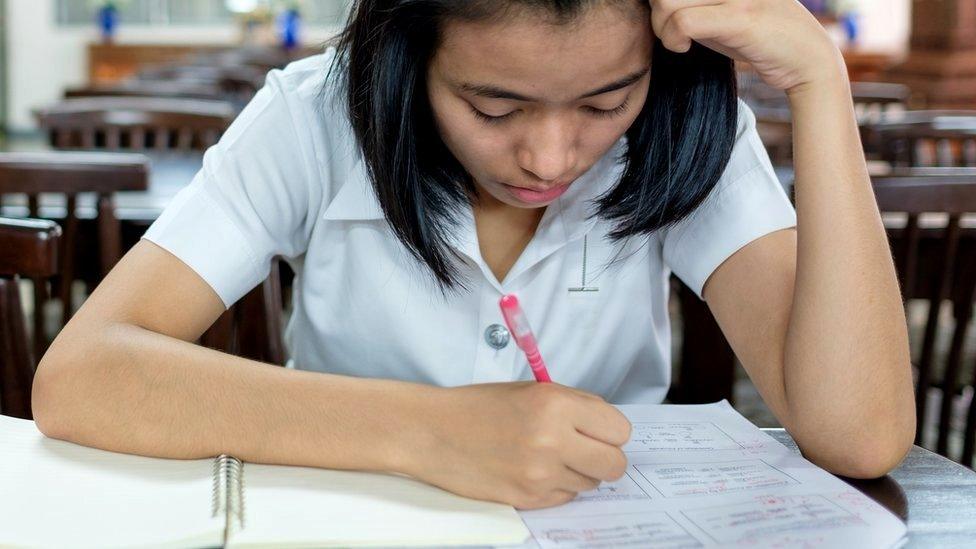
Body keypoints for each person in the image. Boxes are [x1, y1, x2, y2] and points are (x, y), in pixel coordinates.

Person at [32, 0, 916, 510]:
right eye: (494, 109)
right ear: (405, 60)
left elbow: (860, 433)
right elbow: (82, 376)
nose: (551, 157)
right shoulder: (312, 119)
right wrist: (425, 428)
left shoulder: (687, 129)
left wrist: (817, 81)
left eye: (608, 102)